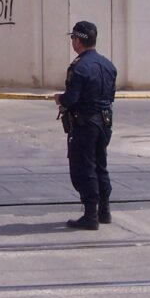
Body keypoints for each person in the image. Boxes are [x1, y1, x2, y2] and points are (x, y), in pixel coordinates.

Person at [54, 21, 117, 230]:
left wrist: (59, 99)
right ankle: (105, 211)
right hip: (105, 122)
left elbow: (71, 98)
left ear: (78, 40)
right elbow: (111, 96)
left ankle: (90, 215)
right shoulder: (108, 65)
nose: (72, 41)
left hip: (85, 123)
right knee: (101, 165)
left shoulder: (79, 67)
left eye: (73, 38)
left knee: (84, 167)